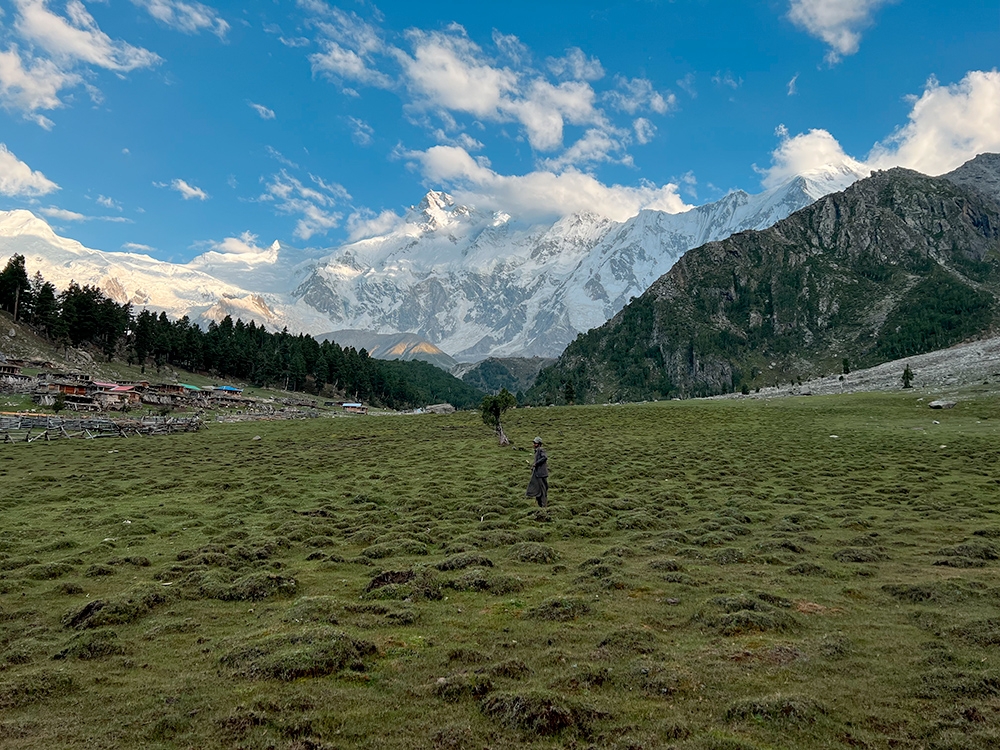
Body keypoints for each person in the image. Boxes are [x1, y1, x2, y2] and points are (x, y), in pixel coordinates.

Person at [525, 436, 549, 507]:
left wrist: (536, 463)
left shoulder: (541, 450)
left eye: (535, 443)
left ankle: (543, 505)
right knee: (538, 489)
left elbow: (544, 457)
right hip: (538, 473)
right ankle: (540, 505)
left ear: (539, 444)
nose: (534, 444)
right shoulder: (537, 451)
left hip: (541, 474)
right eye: (534, 443)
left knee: (542, 490)